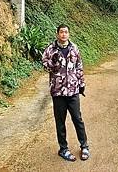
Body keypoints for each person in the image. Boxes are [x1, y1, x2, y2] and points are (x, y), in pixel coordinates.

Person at [41, 24, 90, 162]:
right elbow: (45, 66)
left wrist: (81, 84)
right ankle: (63, 149)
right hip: (58, 92)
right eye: (61, 32)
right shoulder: (50, 49)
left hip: (73, 90)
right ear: (57, 34)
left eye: (66, 32)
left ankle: (84, 146)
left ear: (69, 34)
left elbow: (79, 66)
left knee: (77, 119)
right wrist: (53, 62)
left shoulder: (74, 48)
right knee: (60, 122)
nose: (64, 34)